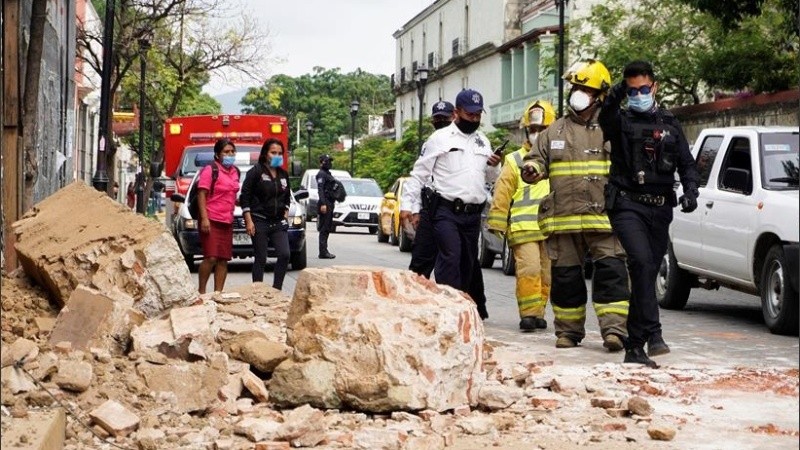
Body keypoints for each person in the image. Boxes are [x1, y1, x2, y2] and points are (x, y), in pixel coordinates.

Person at [521, 59, 630, 352]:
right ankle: (568, 333)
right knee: (566, 280)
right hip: (564, 220)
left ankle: (615, 332)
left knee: (611, 275)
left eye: (584, 88)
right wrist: (531, 169)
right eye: (575, 87)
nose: (577, 93)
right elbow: (535, 160)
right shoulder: (553, 132)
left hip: (604, 219)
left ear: (600, 95)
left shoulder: (614, 129)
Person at [599, 60, 700, 368]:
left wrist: (692, 191)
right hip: (628, 205)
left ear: (654, 87)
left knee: (648, 271)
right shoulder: (621, 120)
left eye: (644, 89)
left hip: (661, 207)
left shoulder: (669, 122)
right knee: (641, 263)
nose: (639, 95)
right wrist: (616, 94)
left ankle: (648, 337)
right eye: (633, 90)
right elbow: (604, 117)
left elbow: (686, 162)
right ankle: (639, 343)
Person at [401, 89, 502, 301]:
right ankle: (448, 305)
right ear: (457, 112)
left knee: (467, 262)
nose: (474, 119)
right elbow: (419, 174)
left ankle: (460, 302)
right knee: (450, 256)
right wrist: (407, 205)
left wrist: (494, 165)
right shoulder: (439, 138)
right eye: (470, 115)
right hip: (446, 210)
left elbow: (491, 178)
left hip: (472, 214)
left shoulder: (482, 141)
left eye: (477, 115)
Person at [487, 100, 555, 331]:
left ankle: (539, 312)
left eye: (542, 129)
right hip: (523, 227)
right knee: (530, 270)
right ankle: (528, 314)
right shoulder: (515, 160)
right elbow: (503, 191)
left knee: (546, 275)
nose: (537, 134)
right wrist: (497, 221)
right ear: (526, 130)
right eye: (533, 129)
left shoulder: (558, 158)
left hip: (550, 228)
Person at [241, 138, 292, 290]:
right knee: (261, 258)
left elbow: (287, 196)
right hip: (259, 220)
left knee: (284, 254)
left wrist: (286, 211)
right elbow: (245, 197)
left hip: (277, 222)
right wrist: (249, 221)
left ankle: (277, 289)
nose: (277, 156)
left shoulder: (283, 174)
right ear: (265, 154)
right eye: (273, 152)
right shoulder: (255, 172)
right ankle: (257, 291)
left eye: (280, 153)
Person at [197, 138, 241, 294]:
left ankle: (218, 294)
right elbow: (202, 194)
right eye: (226, 152)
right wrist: (204, 218)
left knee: (223, 259)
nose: (230, 155)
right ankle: (201, 292)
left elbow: (231, 195)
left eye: (232, 152)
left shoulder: (235, 171)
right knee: (211, 257)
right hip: (211, 219)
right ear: (217, 154)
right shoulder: (210, 169)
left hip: (227, 220)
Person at [316, 154, 337, 259]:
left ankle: (324, 250)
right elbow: (320, 190)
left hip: (330, 202)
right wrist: (323, 203)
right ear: (321, 163)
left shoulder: (327, 173)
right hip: (325, 203)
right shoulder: (321, 174)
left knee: (328, 227)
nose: (329, 163)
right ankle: (323, 252)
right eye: (327, 161)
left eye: (330, 161)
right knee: (324, 227)